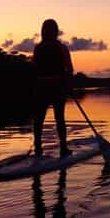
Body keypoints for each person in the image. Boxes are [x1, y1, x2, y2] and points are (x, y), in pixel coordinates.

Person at [32, 19, 74, 158]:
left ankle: (38, 147)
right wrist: (68, 84)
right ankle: (63, 148)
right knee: (59, 118)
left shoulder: (38, 48)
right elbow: (69, 69)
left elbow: (34, 69)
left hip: (41, 87)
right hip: (57, 87)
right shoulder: (61, 47)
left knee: (39, 119)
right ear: (56, 31)